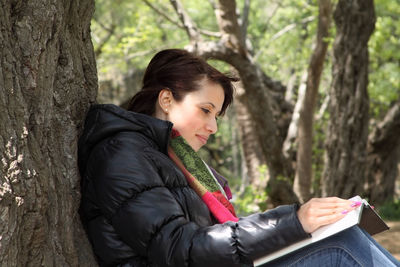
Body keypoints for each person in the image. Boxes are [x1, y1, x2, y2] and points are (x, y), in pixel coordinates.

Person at [78, 49, 399, 267]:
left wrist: (304, 223)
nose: (213, 127)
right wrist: (293, 221)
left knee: (344, 234)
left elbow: (219, 233)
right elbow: (178, 247)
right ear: (166, 99)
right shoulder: (121, 152)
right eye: (205, 111)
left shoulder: (180, 161)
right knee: (343, 249)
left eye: (217, 116)